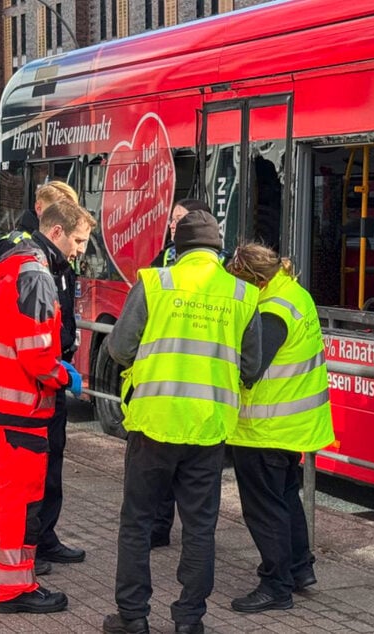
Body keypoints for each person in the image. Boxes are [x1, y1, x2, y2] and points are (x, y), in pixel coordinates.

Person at [103, 209, 262, 634]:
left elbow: (119, 348)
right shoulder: (244, 295)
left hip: (154, 421)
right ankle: (190, 620)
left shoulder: (155, 282)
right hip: (209, 427)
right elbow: (252, 367)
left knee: (137, 521)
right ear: (218, 250)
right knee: (199, 528)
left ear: (178, 248)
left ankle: (133, 617)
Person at [0, 200, 94, 613]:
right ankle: (17, 589)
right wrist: (64, 376)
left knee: (4, 496)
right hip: (20, 406)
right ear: (56, 232)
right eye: (77, 241)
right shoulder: (38, 276)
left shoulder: (14, 264)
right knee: (23, 500)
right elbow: (35, 356)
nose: (79, 251)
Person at [225, 242, 335, 613]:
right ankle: (300, 568)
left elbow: (249, 367)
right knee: (286, 499)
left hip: (265, 428)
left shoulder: (272, 312)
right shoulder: (293, 293)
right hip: (290, 425)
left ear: (254, 279)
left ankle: (276, 585)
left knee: (264, 509)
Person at [148, 198, 216, 549]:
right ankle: (161, 529)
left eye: (180, 219)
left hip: (193, 401)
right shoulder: (161, 264)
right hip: (170, 398)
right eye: (172, 219)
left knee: (189, 500)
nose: (173, 225)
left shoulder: (219, 273)